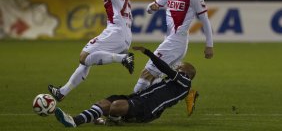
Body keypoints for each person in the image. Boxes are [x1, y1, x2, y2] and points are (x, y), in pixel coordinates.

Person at [133, 0, 213, 115]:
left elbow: (205, 21)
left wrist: (209, 45)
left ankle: (131, 105)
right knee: (159, 79)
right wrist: (153, 7)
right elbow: (151, 7)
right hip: (171, 41)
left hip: (176, 42)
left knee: (147, 73)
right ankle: (187, 94)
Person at [48, 0, 134, 101]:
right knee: (88, 60)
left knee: (84, 57)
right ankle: (62, 92)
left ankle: (123, 58)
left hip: (116, 31)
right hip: (124, 34)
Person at [54, 46, 196, 127]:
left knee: (115, 106)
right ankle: (75, 120)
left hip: (148, 109)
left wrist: (148, 53)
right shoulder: (171, 83)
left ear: (186, 72)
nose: (176, 66)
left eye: (179, 66)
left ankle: (113, 119)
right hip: (138, 98)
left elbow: (166, 69)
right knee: (105, 103)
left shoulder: (185, 83)